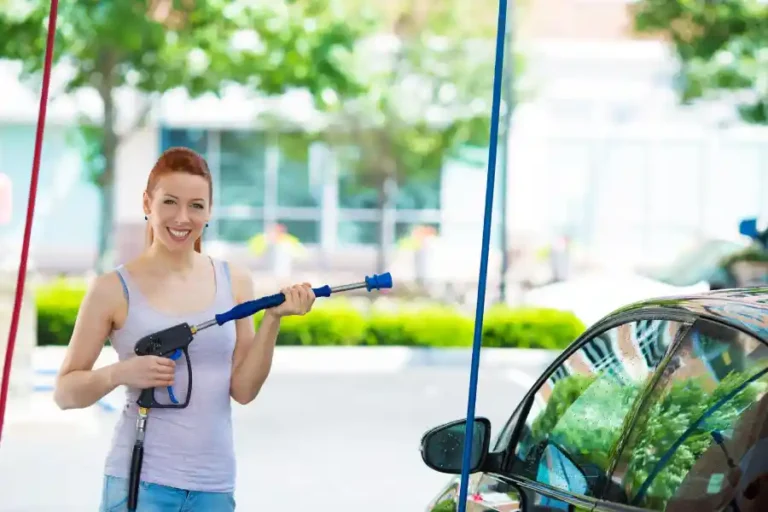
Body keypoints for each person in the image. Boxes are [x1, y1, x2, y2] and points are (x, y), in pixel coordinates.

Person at [53, 147, 316, 511]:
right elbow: (65, 393)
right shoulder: (112, 289)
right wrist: (121, 372)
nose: (182, 217)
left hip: (214, 486)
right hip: (140, 484)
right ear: (147, 203)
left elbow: (243, 390)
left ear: (209, 211)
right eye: (170, 202)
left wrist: (273, 320)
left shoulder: (234, 281)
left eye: (196, 205)